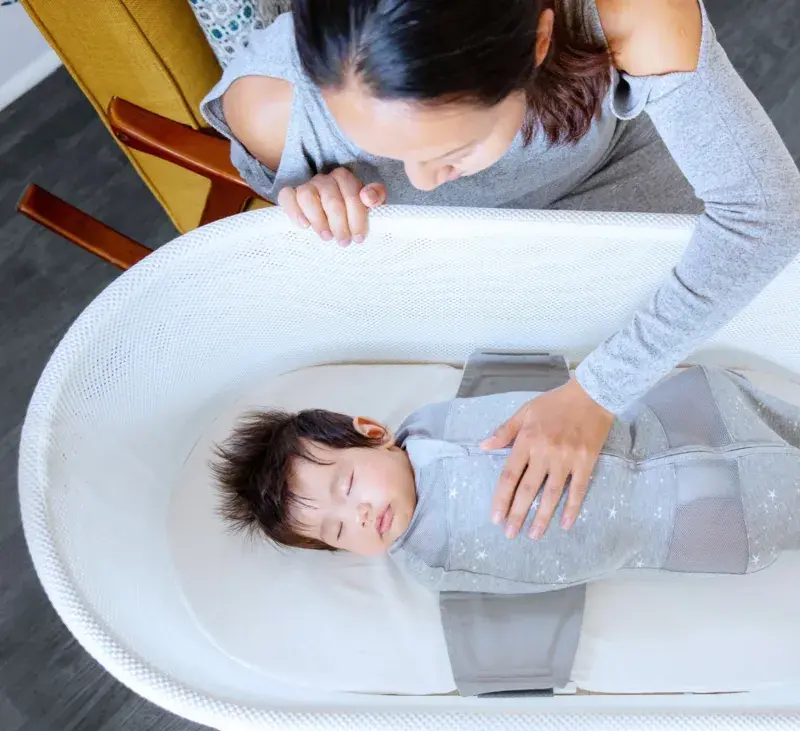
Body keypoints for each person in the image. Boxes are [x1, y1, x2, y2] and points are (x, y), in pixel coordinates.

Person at [201, 0, 800, 542]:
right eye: (388, 151)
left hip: (616, 184)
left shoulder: (626, 11)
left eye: (452, 150)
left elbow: (765, 215)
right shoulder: (271, 107)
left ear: (540, 42)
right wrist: (314, 190)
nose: (422, 180)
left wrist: (597, 393)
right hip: (462, 260)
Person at [212, 366, 800, 593]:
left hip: (665, 416)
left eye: (347, 489)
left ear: (372, 432)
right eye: (339, 532)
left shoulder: (432, 423)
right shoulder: (430, 561)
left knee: (731, 393)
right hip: (680, 522)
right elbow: (544, 572)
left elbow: (534, 406)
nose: (359, 517)